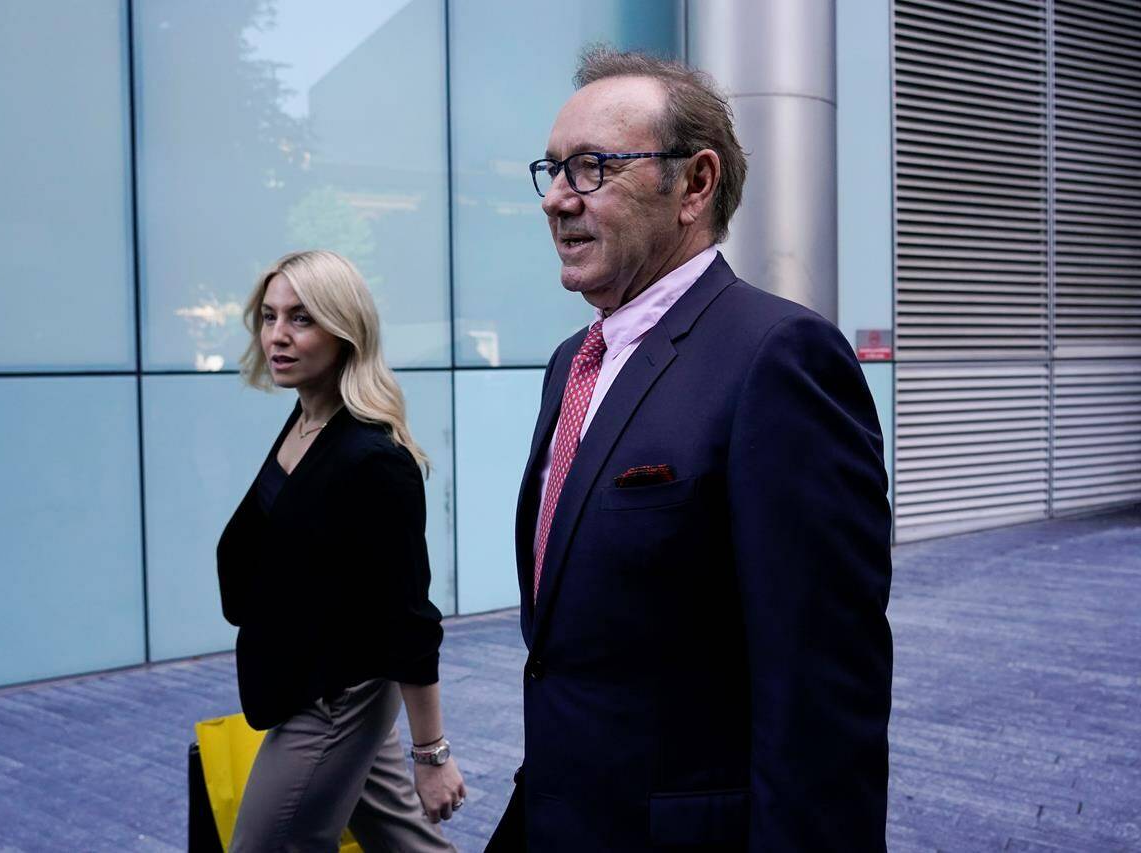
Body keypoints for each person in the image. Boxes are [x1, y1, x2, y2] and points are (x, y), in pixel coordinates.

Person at [486, 47, 894, 851]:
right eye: (554, 169)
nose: (557, 199)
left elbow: (820, 691)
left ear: (695, 184)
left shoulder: (779, 356)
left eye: (593, 167)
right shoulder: (573, 361)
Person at [217, 249, 465, 852]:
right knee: (406, 844)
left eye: (301, 319)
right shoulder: (307, 423)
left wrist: (432, 755)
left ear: (345, 332)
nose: (277, 336)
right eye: (269, 316)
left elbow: (409, 618)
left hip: (332, 700)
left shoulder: (373, 460)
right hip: (320, 676)